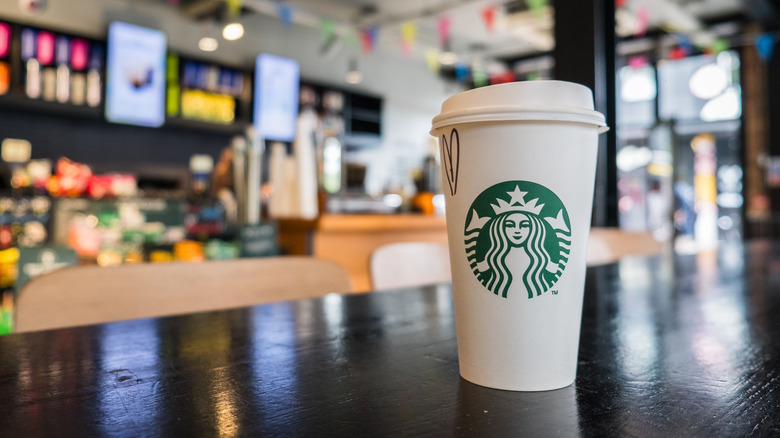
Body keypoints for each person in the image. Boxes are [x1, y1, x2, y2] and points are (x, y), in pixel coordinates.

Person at [477, 211, 561, 299]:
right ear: (502, 229)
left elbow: (555, 270)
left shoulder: (541, 257)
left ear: (532, 229)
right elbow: (480, 268)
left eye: (524, 225)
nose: (517, 230)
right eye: (510, 225)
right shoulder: (493, 257)